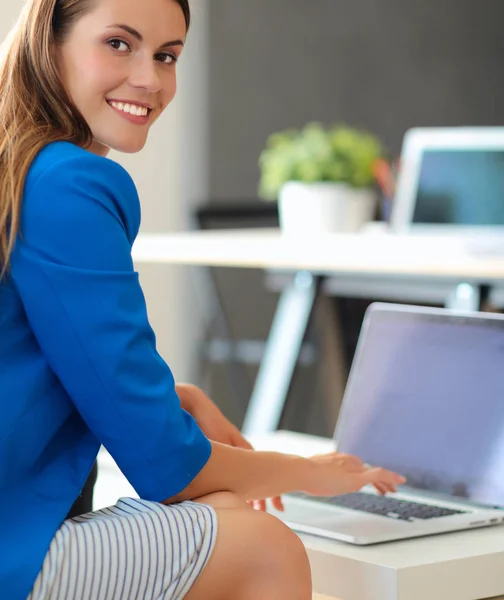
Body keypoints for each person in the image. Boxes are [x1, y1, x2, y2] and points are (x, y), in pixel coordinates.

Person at [0, 0, 406, 598]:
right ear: (48, 41)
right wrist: (311, 472)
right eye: (119, 43)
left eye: (167, 56)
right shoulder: (69, 182)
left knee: (231, 514)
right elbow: (166, 467)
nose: (149, 78)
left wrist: (181, 399)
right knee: (265, 547)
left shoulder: (21, 165)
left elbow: (51, 370)